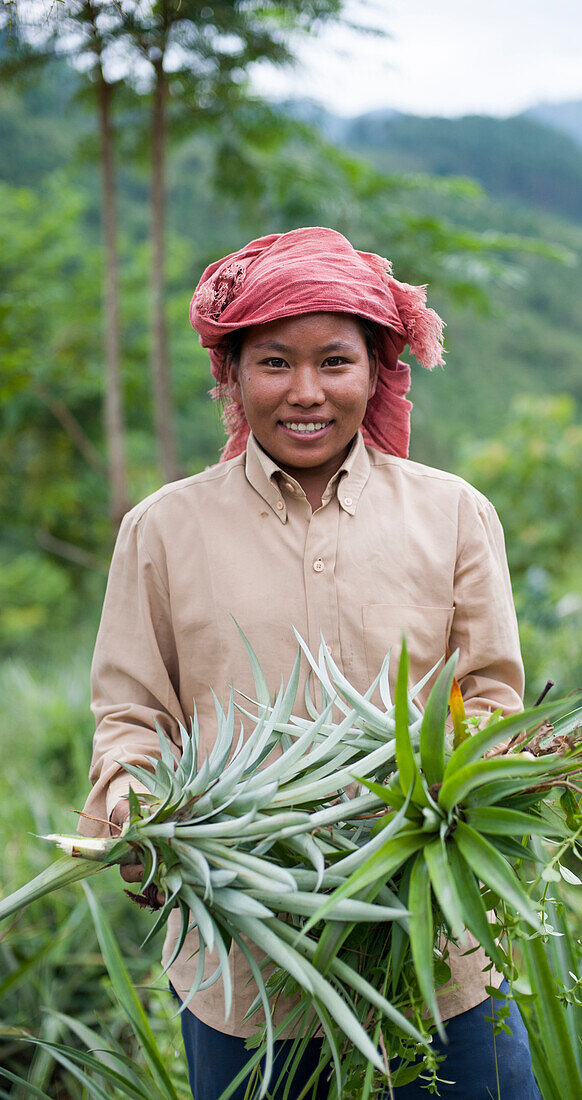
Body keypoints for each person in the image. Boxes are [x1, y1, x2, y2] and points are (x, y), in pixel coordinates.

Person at [80, 226, 540, 1099]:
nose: (306, 393)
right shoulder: (163, 530)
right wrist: (138, 806)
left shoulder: (452, 515)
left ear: (376, 371)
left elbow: (488, 698)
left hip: (436, 955)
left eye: (334, 362)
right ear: (231, 375)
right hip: (245, 971)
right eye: (273, 363)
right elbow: (132, 717)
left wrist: (455, 789)